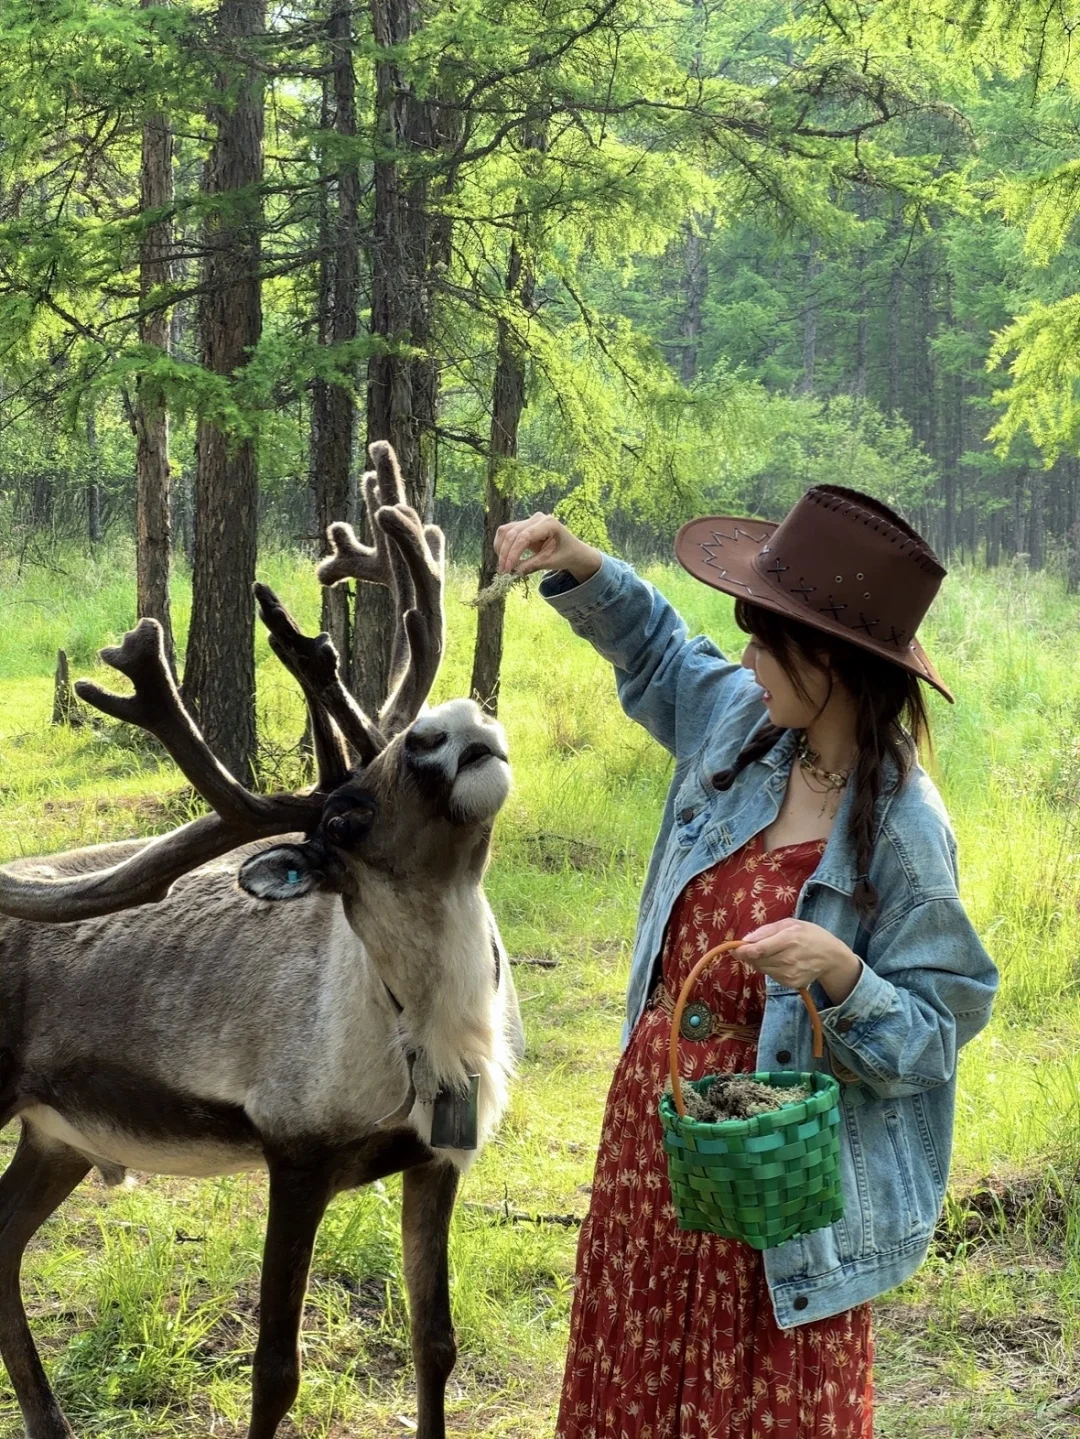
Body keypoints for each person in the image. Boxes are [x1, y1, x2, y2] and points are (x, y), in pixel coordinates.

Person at [494, 487, 998, 1439]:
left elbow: (934, 1036)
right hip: (659, 1146)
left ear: (834, 661)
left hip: (774, 1203)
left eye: (767, 641)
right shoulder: (748, 730)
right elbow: (657, 651)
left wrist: (841, 974)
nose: (746, 659)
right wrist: (578, 560)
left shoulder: (903, 832)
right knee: (637, 1383)